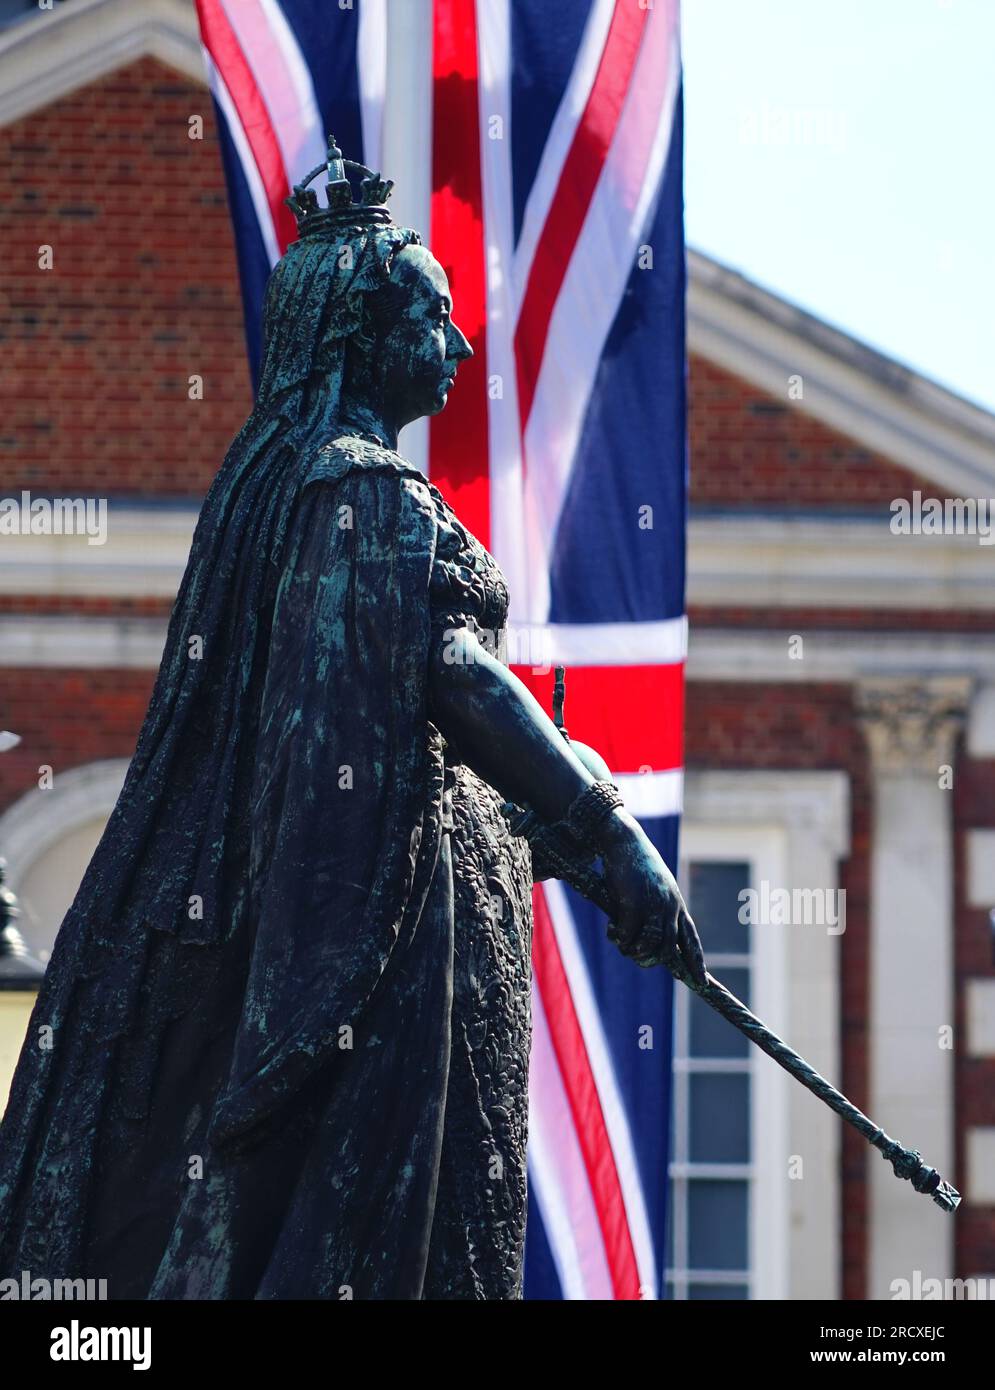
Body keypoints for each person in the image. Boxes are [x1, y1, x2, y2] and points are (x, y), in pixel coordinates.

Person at [0, 144, 704, 1300]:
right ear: (354, 340)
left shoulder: (278, 491)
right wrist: (610, 835)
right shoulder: (361, 492)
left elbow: (394, 706)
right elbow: (448, 670)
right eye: (430, 319)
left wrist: (546, 798)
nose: (458, 346)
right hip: (386, 959)